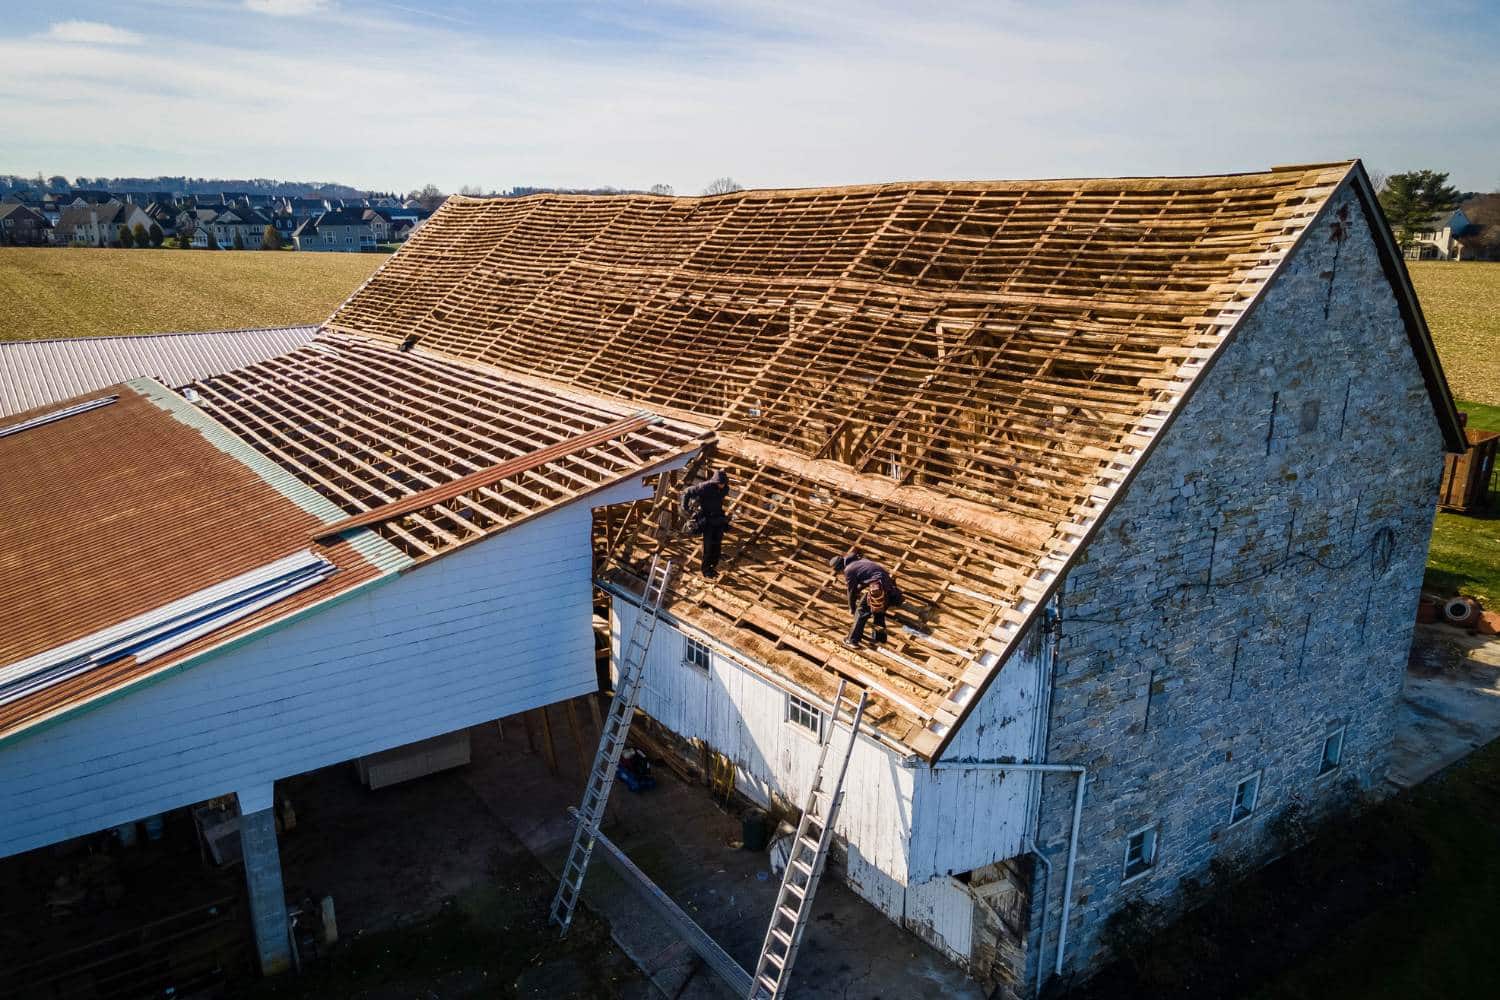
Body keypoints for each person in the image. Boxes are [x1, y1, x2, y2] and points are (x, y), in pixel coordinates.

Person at [831, 548, 903, 648]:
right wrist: (859, 590)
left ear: (839, 568)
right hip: (889, 588)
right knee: (878, 612)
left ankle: (852, 640)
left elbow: (851, 591)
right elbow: (868, 578)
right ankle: (879, 640)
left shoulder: (849, 570)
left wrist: (852, 607)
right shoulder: (860, 561)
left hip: (878, 588)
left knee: (861, 611)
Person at [681, 469, 731, 577]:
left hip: (718, 518)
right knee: (708, 547)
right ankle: (706, 570)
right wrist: (685, 507)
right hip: (707, 519)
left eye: (723, 483)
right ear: (716, 482)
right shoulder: (705, 487)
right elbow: (687, 492)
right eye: (720, 483)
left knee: (717, 545)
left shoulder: (725, 488)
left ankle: (713, 567)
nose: (722, 485)